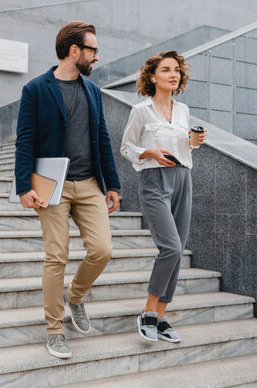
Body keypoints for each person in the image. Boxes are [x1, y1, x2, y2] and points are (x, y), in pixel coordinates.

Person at [14, 21, 121, 359]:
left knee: (102, 250)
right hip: (51, 184)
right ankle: (55, 329)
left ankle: (74, 296)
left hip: (89, 183)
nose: (97, 57)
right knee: (56, 256)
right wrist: (23, 186)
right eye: (93, 50)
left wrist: (112, 184)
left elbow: (102, 137)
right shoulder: (36, 89)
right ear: (74, 51)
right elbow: (25, 140)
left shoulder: (92, 91)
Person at [120, 50, 206, 343]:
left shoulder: (182, 110)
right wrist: (150, 152)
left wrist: (195, 141)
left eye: (177, 71)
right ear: (153, 76)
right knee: (169, 246)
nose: (173, 74)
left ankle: (162, 315)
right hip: (154, 180)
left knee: (178, 249)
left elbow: (187, 146)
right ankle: (147, 313)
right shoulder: (141, 111)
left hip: (183, 178)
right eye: (167, 70)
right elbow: (126, 147)